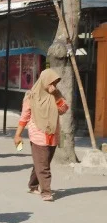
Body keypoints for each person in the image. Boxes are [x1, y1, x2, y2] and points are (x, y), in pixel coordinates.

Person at [14, 69, 69, 202]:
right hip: (37, 133)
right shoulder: (31, 96)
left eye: (55, 83)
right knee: (43, 165)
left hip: (53, 134)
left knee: (42, 162)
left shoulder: (56, 94)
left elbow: (63, 110)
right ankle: (46, 192)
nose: (53, 85)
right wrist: (18, 135)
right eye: (51, 82)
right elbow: (25, 116)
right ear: (44, 81)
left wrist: (56, 95)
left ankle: (33, 185)